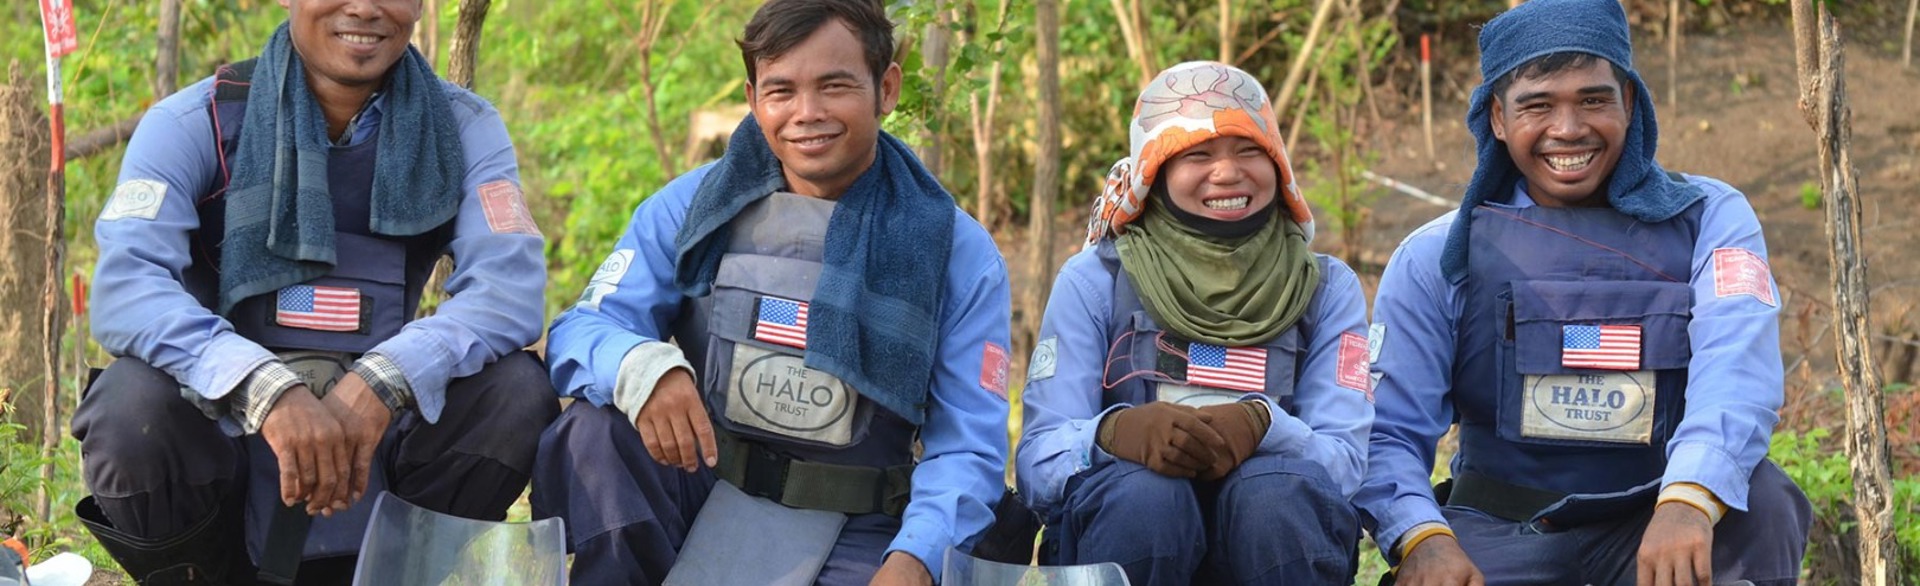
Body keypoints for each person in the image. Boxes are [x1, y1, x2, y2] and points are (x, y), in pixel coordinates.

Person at [73, 0, 558, 582]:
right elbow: (129, 287)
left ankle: (400, 572)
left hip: (382, 447)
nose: (363, 9)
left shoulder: (461, 129)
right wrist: (262, 387)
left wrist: (386, 380)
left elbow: (508, 288)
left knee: (513, 392)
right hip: (224, 436)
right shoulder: (193, 123)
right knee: (132, 406)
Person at [530, 0, 1012, 584]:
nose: (806, 114)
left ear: (886, 88)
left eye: (834, 86)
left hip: (861, 522)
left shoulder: (955, 248)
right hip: (698, 486)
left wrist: (917, 558)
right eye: (780, 91)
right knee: (593, 432)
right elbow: (581, 330)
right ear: (754, 97)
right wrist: (642, 368)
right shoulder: (693, 208)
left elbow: (968, 446)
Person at [1356, 1, 1812, 584]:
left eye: (1593, 100)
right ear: (1497, 117)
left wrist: (1690, 500)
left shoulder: (1709, 219)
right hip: (1500, 525)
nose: (1568, 129)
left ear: (1630, 101)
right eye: (1537, 105)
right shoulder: (1436, 255)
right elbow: (1388, 429)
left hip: (1658, 520)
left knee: (1764, 500)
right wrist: (1420, 539)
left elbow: (1737, 371)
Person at [1015, 61, 1371, 585]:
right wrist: (1113, 434)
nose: (1227, 173)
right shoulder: (1096, 280)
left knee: (1275, 496)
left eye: (1250, 150)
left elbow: (1345, 463)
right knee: (1146, 498)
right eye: (1197, 154)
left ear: (1278, 162)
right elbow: (1036, 465)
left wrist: (1265, 427)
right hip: (1133, 542)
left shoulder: (1323, 288)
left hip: (1275, 546)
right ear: (1154, 171)